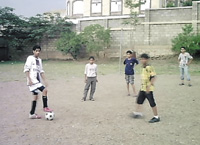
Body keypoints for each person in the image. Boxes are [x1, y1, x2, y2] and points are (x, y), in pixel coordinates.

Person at [24, 45, 53, 119]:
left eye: (39, 51)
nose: (38, 52)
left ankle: (32, 114)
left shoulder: (39, 60)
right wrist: (29, 79)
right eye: (36, 51)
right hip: (33, 81)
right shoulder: (30, 58)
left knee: (35, 97)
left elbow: (41, 71)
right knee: (44, 90)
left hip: (37, 80)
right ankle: (45, 107)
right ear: (33, 51)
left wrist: (45, 80)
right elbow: (26, 69)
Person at [133, 53, 160, 123]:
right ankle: (138, 113)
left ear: (147, 60)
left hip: (148, 89)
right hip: (143, 88)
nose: (142, 60)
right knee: (139, 100)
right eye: (141, 59)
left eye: (144, 59)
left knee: (152, 102)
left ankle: (156, 116)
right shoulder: (143, 68)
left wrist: (149, 86)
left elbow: (154, 77)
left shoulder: (149, 67)